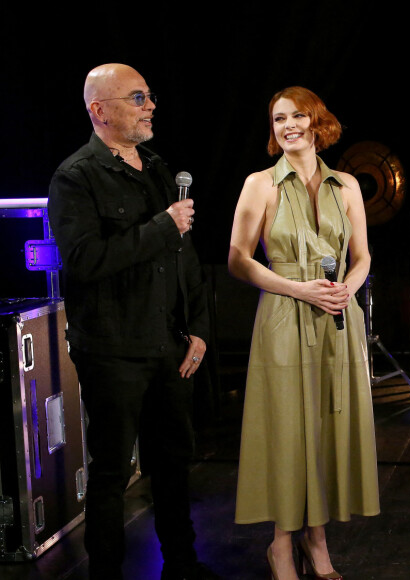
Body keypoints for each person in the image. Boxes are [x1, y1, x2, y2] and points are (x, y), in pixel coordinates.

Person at [48, 63, 220, 580]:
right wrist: (160, 228)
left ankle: (182, 565)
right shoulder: (76, 177)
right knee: (110, 471)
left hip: (170, 345)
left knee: (172, 464)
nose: (150, 106)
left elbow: (184, 256)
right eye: (137, 97)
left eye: (149, 96)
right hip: (113, 349)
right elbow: (85, 261)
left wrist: (199, 329)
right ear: (99, 111)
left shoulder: (159, 168)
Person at [229, 86, 380, 580]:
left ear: (318, 122)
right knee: (288, 431)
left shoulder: (348, 186)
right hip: (282, 316)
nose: (287, 125)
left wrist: (346, 291)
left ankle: (317, 542)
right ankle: (281, 544)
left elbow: (362, 258)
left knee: (327, 429)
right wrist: (301, 290)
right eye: (278, 119)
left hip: (338, 319)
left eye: (297, 115)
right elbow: (237, 259)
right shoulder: (260, 184)